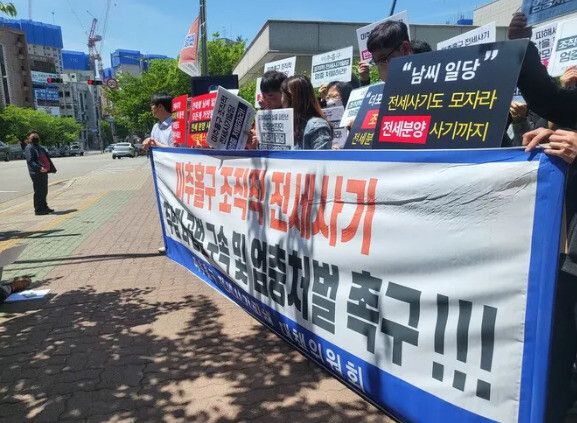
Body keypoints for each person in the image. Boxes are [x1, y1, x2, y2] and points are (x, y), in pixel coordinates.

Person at [280, 75, 333, 150]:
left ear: (292, 98)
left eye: (282, 95)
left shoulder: (316, 126)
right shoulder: (291, 125)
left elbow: (322, 157)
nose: (281, 100)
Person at [247, 70, 288, 150]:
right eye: (264, 96)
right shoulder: (261, 116)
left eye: (270, 96)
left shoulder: (294, 116)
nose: (266, 100)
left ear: (283, 93)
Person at [23, 131, 56, 215]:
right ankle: (38, 210)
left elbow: (46, 157)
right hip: (36, 172)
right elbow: (30, 160)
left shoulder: (39, 147)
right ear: (29, 139)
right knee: (38, 191)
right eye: (33, 136)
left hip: (44, 171)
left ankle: (44, 207)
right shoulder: (29, 148)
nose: (35, 136)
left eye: (36, 136)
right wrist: (39, 168)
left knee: (44, 190)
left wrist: (47, 167)